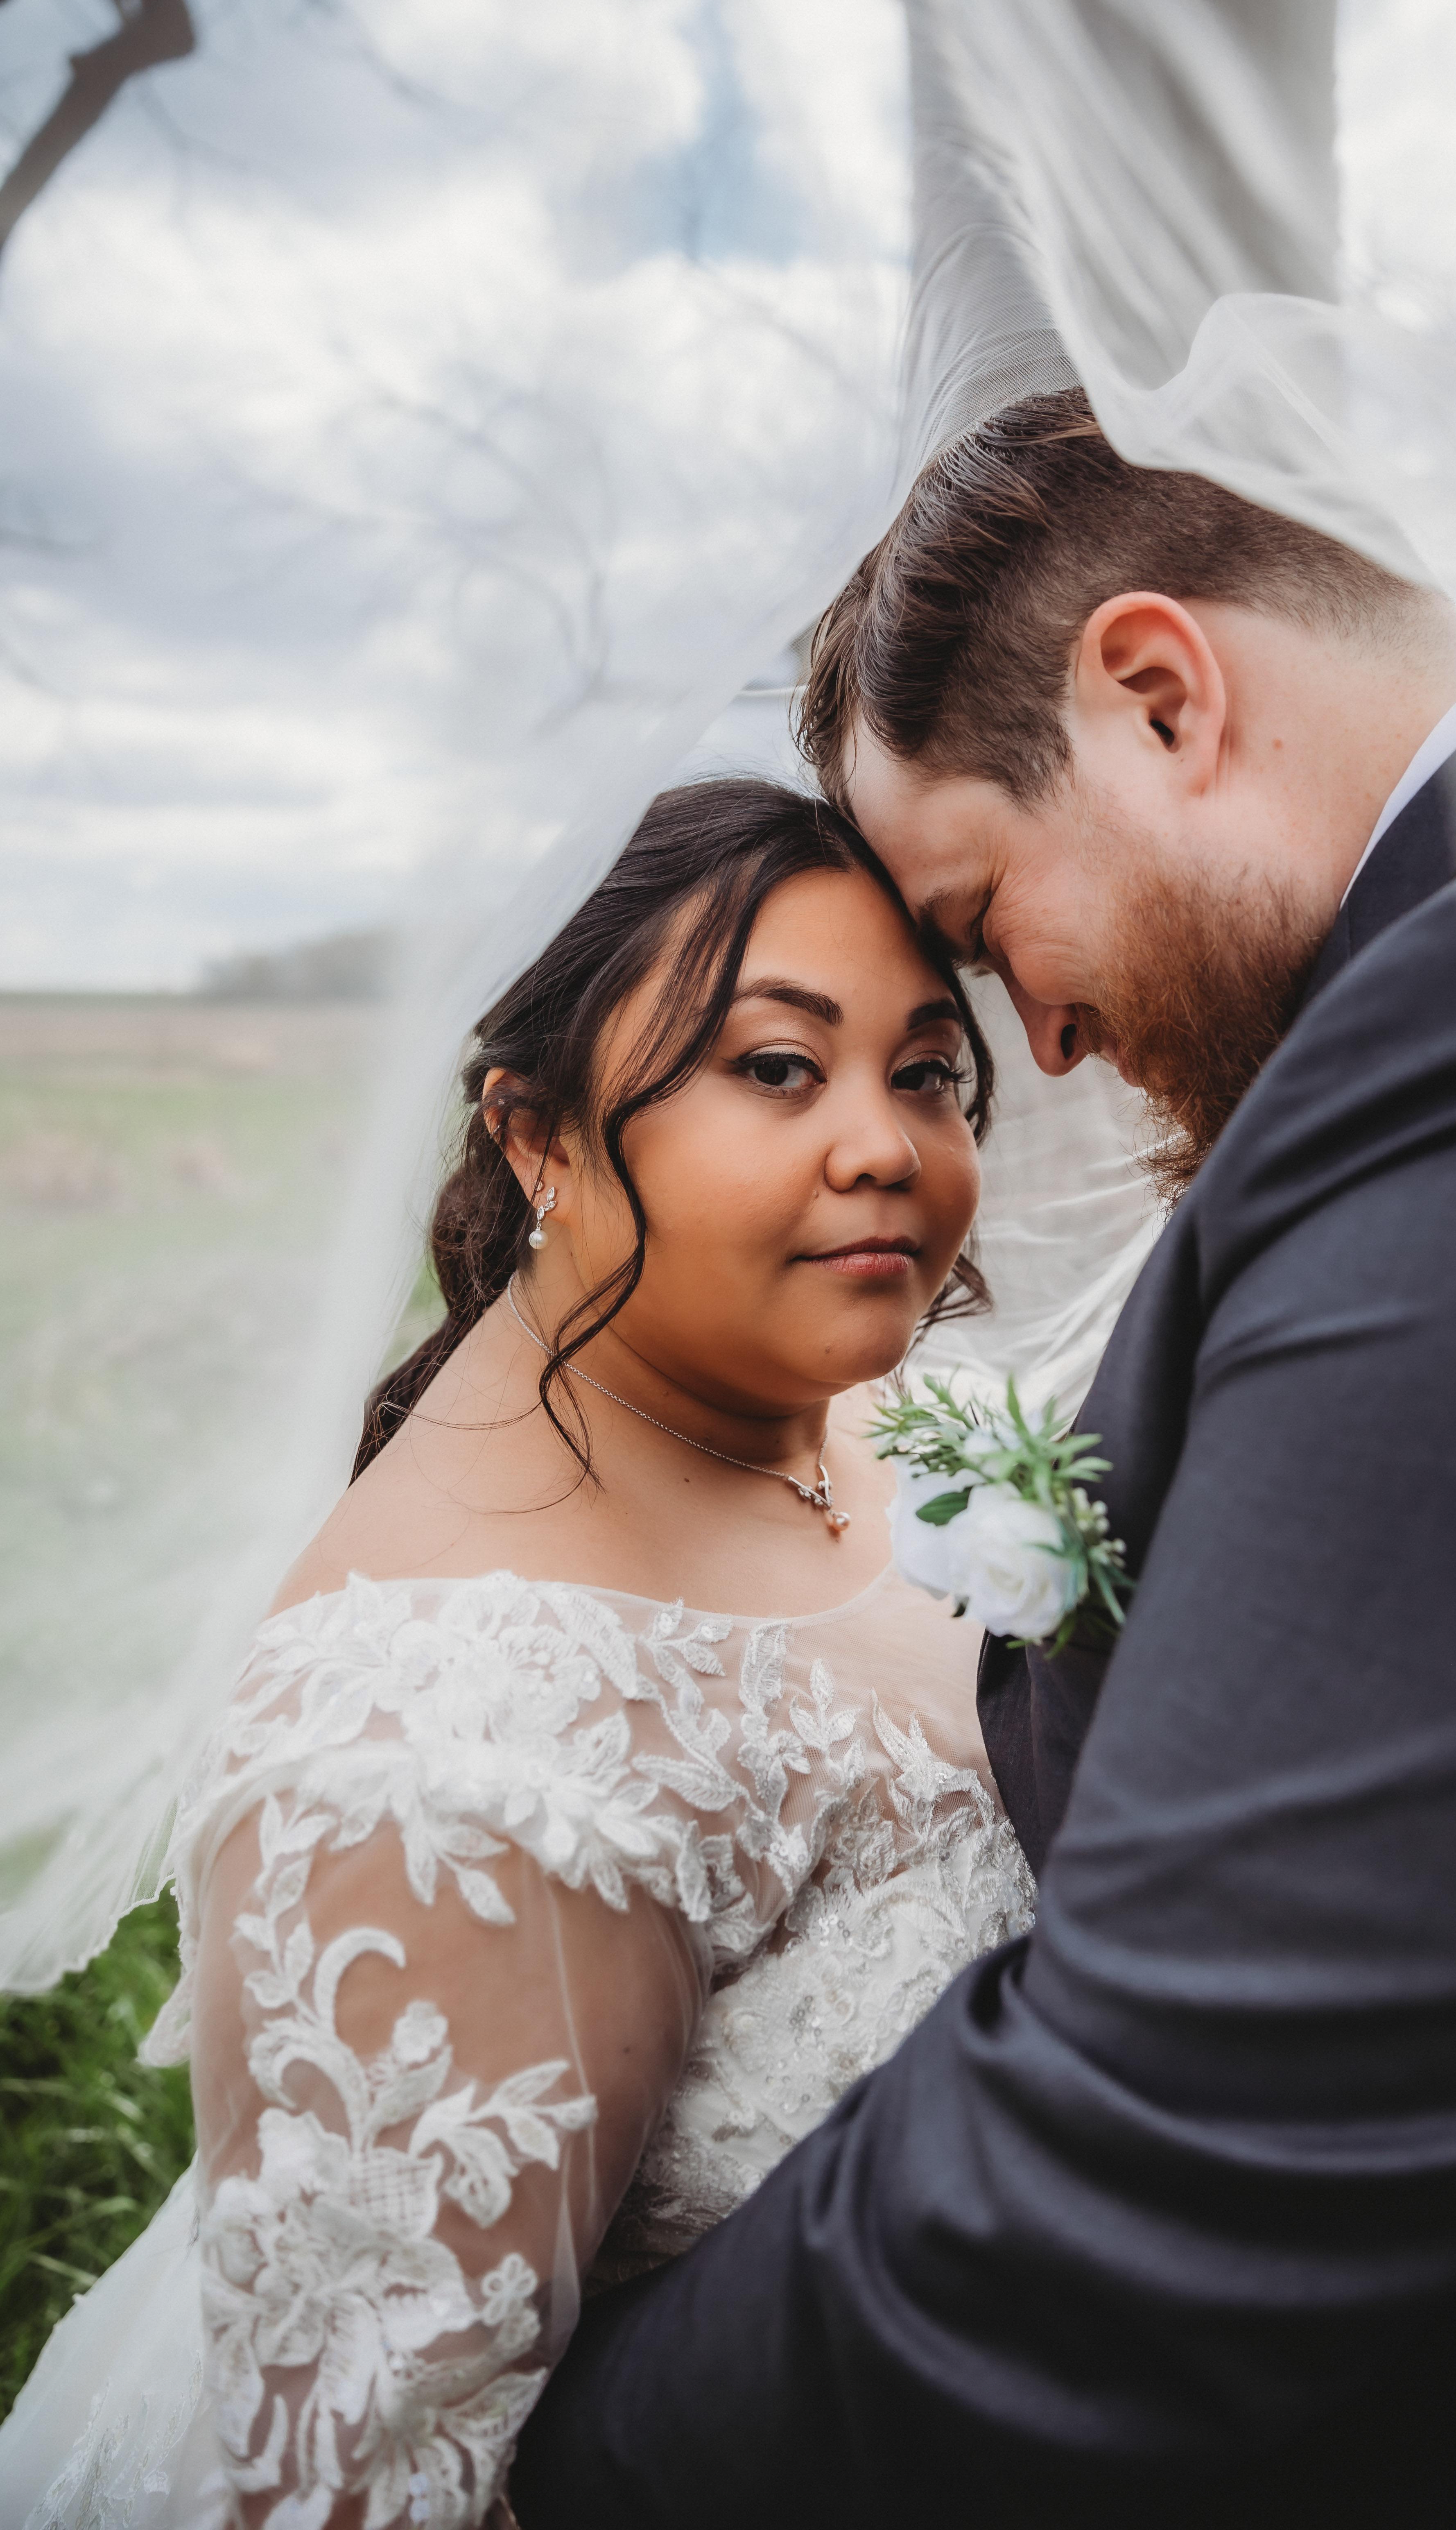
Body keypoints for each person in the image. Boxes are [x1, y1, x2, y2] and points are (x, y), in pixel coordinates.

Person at [512, 390, 1456, 2527]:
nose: (1037, 1037)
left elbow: (1192, 2117)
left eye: (981, 918)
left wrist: (581, 2464)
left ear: (1155, 693)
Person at [0, 777, 1032, 2530]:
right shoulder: (448, 1745)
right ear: (537, 1137)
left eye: (926, 1072)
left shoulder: (906, 1421)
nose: (886, 1146)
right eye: (780, 1067)